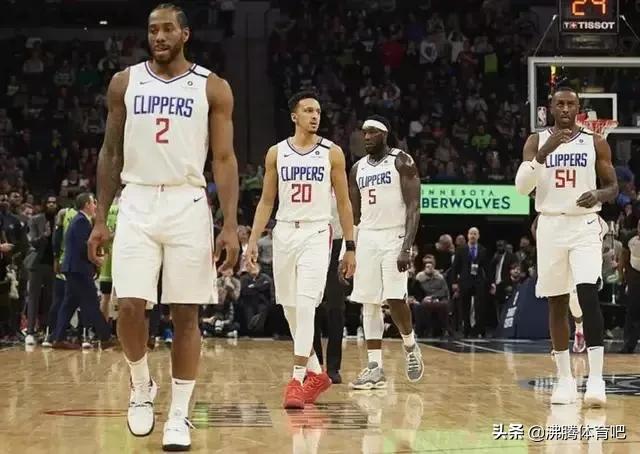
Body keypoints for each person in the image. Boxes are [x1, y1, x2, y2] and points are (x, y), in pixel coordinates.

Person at [87, 4, 240, 451]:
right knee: (129, 305)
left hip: (187, 200)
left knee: (186, 312)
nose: (158, 36)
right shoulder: (125, 82)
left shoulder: (212, 86)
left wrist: (231, 224)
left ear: (185, 34)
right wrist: (100, 218)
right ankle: (141, 386)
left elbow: (224, 158)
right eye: (153, 29)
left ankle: (179, 413)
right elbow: (110, 152)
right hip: (136, 197)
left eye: (168, 29)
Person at [246, 90, 356, 409]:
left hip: (317, 232)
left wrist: (350, 246)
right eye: (308, 110)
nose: (315, 116)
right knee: (290, 308)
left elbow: (344, 202)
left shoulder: (332, 153)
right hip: (284, 231)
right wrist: (252, 239)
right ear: (294, 116)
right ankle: (317, 374)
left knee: (307, 305)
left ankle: (296, 380)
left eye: (318, 111)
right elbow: (267, 201)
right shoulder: (276, 153)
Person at [515, 85, 618, 407]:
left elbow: (613, 187)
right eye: (559, 103)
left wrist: (599, 194)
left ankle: (596, 378)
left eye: (570, 104)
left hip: (584, 224)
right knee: (557, 302)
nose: (564, 109)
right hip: (550, 225)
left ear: (578, 108)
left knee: (587, 293)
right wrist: (543, 154)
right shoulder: (536, 141)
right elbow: (521, 188)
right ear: (550, 107)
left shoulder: (595, 141)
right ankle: (565, 380)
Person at [347, 115, 424, 390]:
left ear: (384, 134)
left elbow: (414, 206)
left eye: (372, 132)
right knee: (368, 301)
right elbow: (355, 215)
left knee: (394, 297)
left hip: (395, 235)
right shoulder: (357, 169)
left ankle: (410, 345)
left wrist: (407, 247)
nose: (366, 137)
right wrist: (348, 249)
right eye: (364, 133)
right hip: (367, 236)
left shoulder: (401, 161)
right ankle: (374, 367)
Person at [52, 193, 113, 349]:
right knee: (91, 301)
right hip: (78, 269)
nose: (95, 206)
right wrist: (95, 261)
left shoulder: (80, 220)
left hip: (73, 268)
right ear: (87, 204)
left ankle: (58, 338)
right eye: (93, 203)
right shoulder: (81, 222)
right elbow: (83, 247)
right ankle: (105, 337)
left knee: (69, 304)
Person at [531, 215, 586, 354]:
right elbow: (534, 227)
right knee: (556, 300)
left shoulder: (573, 214)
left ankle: (579, 328)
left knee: (573, 299)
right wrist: (543, 242)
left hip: (574, 254)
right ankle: (559, 345)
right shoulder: (546, 214)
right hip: (554, 257)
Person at [452, 227, 490, 337]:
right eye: (471, 234)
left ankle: (478, 329)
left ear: (478, 236)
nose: (473, 236)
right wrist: (454, 282)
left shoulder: (483, 250)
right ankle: (466, 329)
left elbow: (487, 268)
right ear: (468, 235)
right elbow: (455, 267)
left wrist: (491, 282)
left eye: (475, 234)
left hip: (478, 281)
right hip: (465, 281)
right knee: (465, 306)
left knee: (479, 306)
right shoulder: (461, 249)